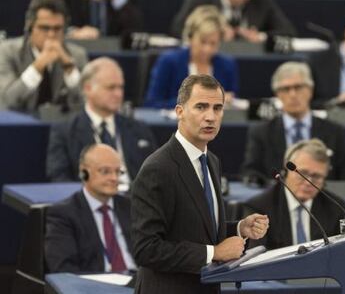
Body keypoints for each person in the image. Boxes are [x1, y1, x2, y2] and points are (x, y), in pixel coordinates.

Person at [131, 74, 269, 293]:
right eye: (201, 107)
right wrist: (213, 253)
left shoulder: (211, 161)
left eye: (217, 108)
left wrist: (240, 228)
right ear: (179, 112)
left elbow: (199, 229)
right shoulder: (158, 168)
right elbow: (146, 249)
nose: (210, 117)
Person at [47, 57, 157, 187]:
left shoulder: (139, 129)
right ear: (88, 89)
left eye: (120, 87)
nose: (118, 94)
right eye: (111, 88)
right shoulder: (65, 131)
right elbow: (59, 179)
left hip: (134, 201)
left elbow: (155, 175)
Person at [242, 62, 345, 187]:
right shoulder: (261, 132)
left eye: (298, 87)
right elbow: (251, 172)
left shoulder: (334, 131)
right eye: (285, 89)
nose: (293, 94)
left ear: (310, 90)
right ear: (277, 95)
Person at [45, 144, 136, 272]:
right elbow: (63, 269)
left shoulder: (132, 207)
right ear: (84, 173)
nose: (114, 178)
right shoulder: (64, 214)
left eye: (118, 171)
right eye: (105, 171)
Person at [244, 139, 345, 250]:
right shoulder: (259, 207)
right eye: (302, 173)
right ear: (285, 171)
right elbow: (256, 257)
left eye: (317, 176)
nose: (308, 182)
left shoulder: (334, 207)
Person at [0, 0, 87, 113]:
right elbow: (8, 100)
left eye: (57, 29)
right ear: (30, 27)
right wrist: (38, 66)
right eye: (44, 28)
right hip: (20, 125)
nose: (51, 35)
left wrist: (69, 68)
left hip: (62, 126)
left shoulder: (77, 55)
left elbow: (88, 101)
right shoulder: (7, 51)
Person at [145, 6, 239, 109]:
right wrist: (192, 103)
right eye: (203, 41)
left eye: (213, 43)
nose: (207, 49)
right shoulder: (169, 62)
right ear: (190, 37)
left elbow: (233, 102)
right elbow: (152, 104)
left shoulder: (227, 65)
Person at [171, 0, 296, 42]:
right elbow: (177, 30)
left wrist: (260, 37)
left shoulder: (262, 1)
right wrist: (214, 35)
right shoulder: (200, 0)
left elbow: (288, 32)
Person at [57, 0, 144, 39]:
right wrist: (73, 32)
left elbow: (135, 31)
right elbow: (55, 18)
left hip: (113, 51)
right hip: (80, 46)